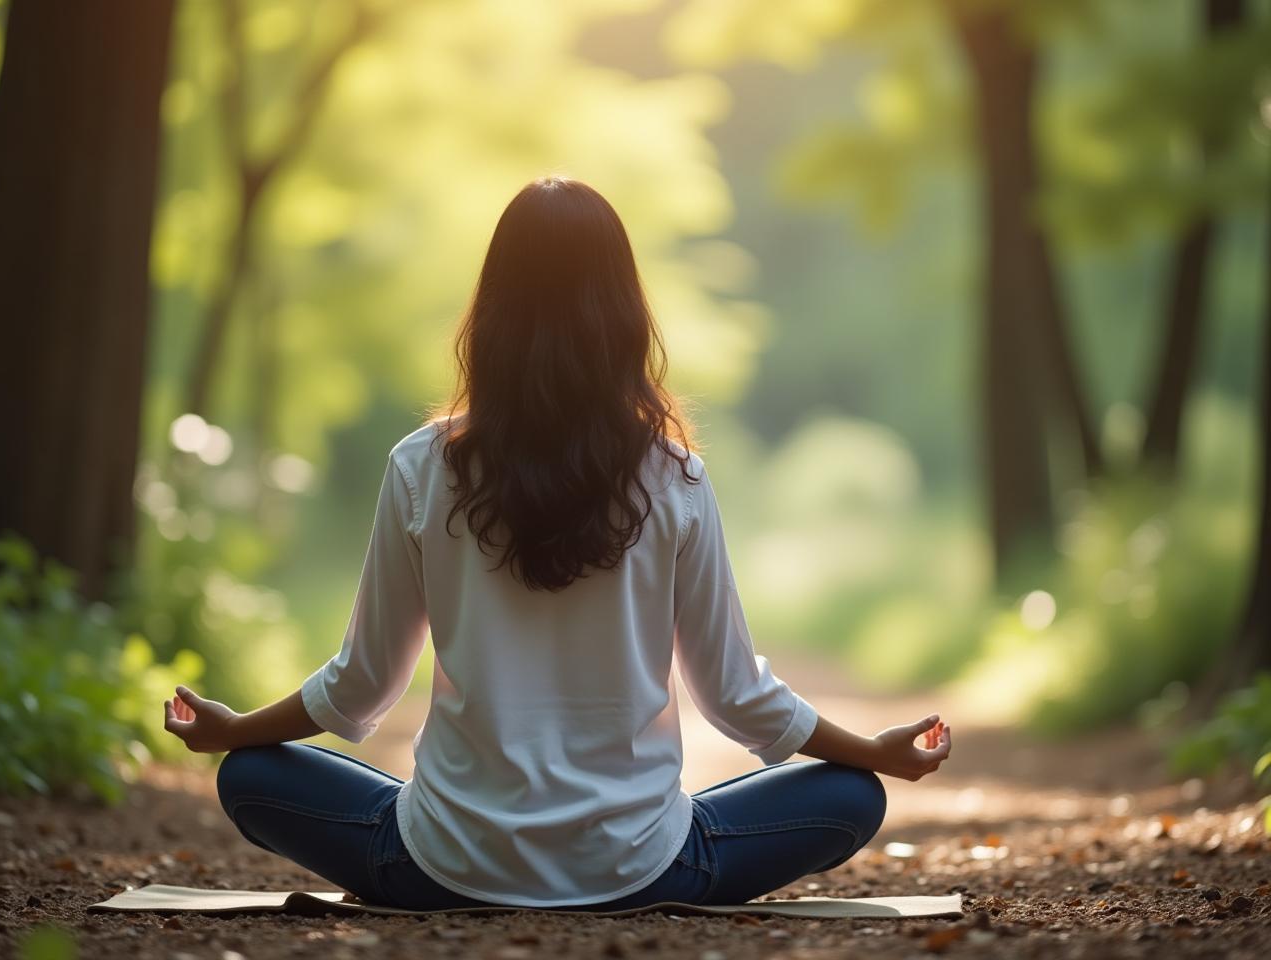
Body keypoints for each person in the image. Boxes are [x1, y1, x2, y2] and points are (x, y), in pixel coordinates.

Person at [163, 175, 952, 911]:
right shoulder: (674, 474)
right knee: (852, 796)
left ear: (493, 310)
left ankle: (465, 854)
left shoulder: (420, 467)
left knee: (253, 775)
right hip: (646, 870)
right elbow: (736, 696)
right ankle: (633, 858)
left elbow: (362, 685)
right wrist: (873, 753)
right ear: (622, 314)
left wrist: (235, 732)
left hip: (435, 867)